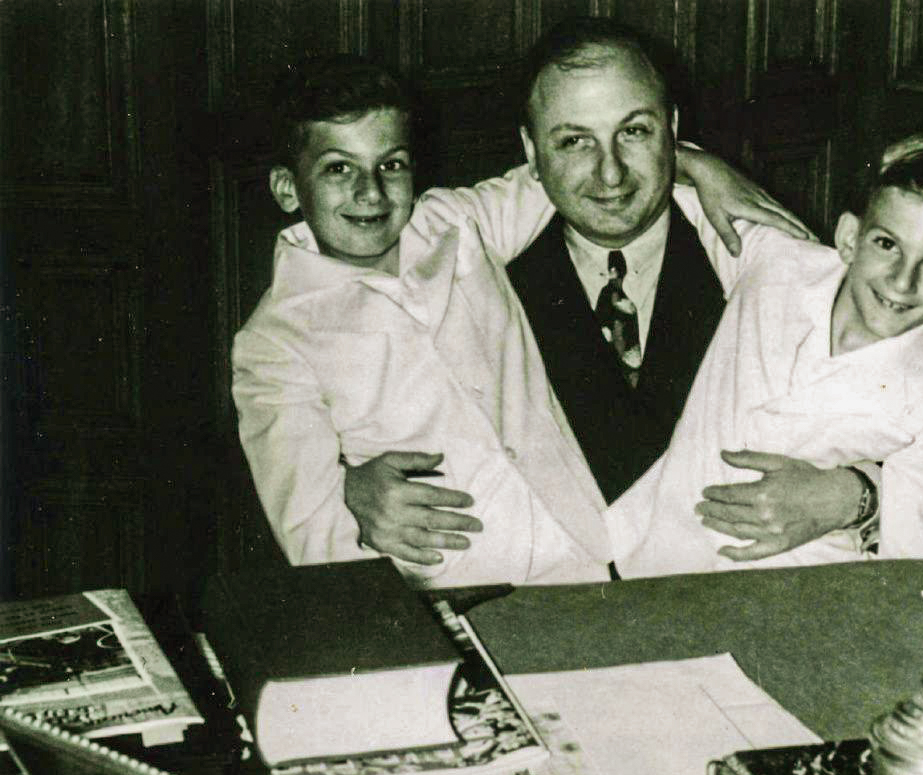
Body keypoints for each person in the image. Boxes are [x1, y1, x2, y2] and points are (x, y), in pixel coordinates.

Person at [231, 54, 810, 586]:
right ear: (288, 188)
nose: (371, 192)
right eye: (338, 169)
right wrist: (349, 497)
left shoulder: (453, 223)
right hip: (449, 588)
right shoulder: (275, 343)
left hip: (585, 560)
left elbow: (571, 168)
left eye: (392, 165)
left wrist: (697, 163)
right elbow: (311, 537)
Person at [344, 18, 882, 575]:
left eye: (634, 131)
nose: (610, 173)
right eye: (575, 141)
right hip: (543, 613)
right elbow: (319, 352)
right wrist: (347, 488)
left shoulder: (760, 252)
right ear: (530, 149)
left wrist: (851, 497)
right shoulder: (472, 264)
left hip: (730, 601)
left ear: (671, 128)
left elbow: (912, 419)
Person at [612, 128, 923, 577]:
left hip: (797, 607)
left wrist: (860, 499)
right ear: (850, 237)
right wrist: (698, 163)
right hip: (652, 564)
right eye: (887, 244)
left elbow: (909, 571)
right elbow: (653, 172)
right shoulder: (775, 262)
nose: (902, 281)